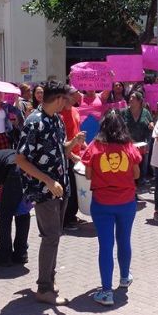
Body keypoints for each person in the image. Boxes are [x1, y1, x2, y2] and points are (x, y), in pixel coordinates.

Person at [16, 80, 86, 306]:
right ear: (58, 99)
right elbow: (21, 159)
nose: (70, 102)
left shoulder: (56, 120)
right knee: (51, 237)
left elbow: (59, 151)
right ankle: (44, 288)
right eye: (67, 98)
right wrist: (47, 180)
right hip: (43, 190)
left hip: (60, 186)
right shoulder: (34, 122)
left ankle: (49, 280)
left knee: (54, 237)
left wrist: (72, 143)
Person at [81, 109, 142, 306]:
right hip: (126, 202)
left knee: (106, 246)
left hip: (102, 202)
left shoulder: (95, 146)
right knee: (124, 240)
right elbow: (136, 174)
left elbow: (88, 175)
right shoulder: (129, 147)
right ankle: (124, 277)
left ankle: (106, 291)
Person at [61, 86, 86, 231]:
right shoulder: (61, 114)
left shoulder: (76, 110)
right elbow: (61, 141)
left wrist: (85, 147)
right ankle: (66, 219)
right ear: (69, 96)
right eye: (77, 93)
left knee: (76, 188)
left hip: (77, 156)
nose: (80, 95)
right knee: (69, 189)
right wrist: (71, 155)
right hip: (68, 156)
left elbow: (77, 133)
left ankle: (72, 216)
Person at [122, 91, 154, 188]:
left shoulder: (146, 112)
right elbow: (120, 127)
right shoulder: (124, 112)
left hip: (143, 143)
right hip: (128, 143)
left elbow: (151, 122)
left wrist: (151, 125)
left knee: (142, 162)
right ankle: (130, 182)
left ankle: (141, 181)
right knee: (130, 163)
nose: (130, 99)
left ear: (140, 101)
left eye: (133, 98)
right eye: (130, 97)